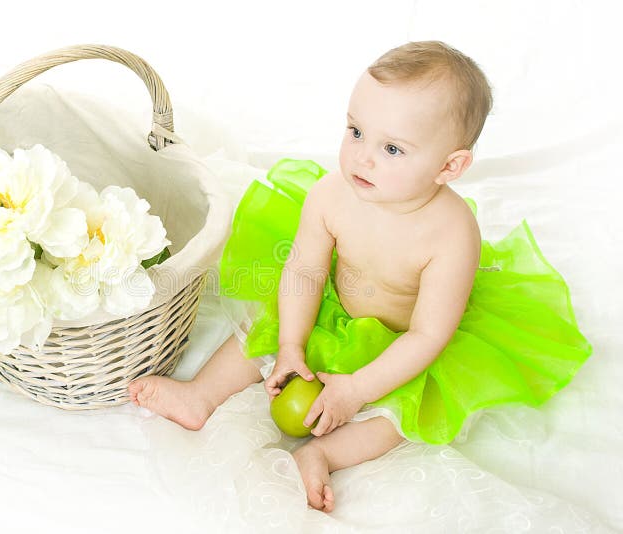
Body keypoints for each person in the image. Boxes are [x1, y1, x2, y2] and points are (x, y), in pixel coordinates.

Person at [128, 41, 592, 513]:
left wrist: (356, 390)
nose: (362, 157)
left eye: (392, 148)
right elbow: (305, 270)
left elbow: (429, 335)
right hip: (335, 307)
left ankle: (323, 454)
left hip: (403, 344)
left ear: (449, 166)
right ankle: (201, 396)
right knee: (260, 319)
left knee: (403, 412)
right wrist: (291, 344)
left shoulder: (452, 236)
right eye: (355, 131)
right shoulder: (332, 195)